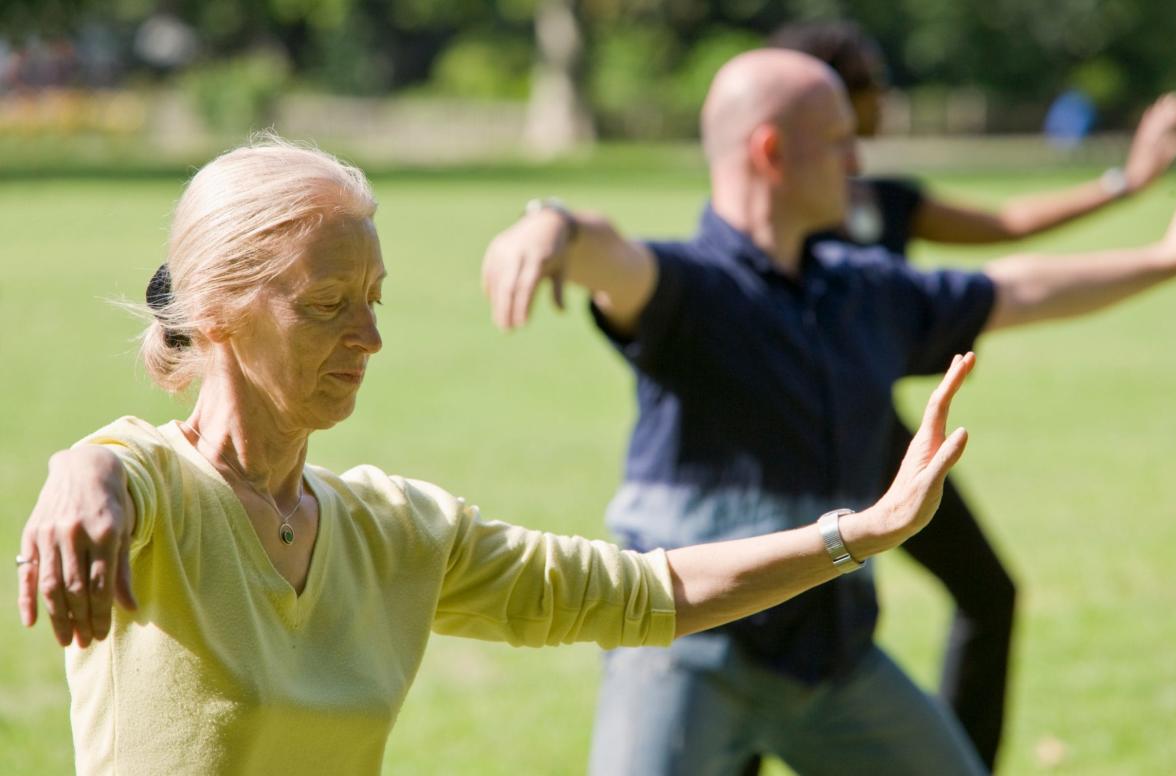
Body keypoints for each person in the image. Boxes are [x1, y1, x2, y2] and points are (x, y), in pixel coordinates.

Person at [15, 136, 977, 776]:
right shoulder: (148, 494)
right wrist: (80, 469)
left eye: (373, 301)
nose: (368, 340)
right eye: (325, 306)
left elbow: (645, 593)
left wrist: (859, 532)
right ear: (215, 312)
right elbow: (120, 469)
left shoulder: (394, 532)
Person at [480, 49, 1176, 775]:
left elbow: (1017, 286)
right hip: (684, 660)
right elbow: (610, 257)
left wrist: (1170, 260)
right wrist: (553, 225)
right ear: (771, 151)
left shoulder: (865, 291)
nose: (856, 161)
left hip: (833, 663)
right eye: (839, 142)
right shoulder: (692, 289)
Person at [766, 21, 1176, 768]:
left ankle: (959, 762)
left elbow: (1006, 228)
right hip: (787, 437)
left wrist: (1127, 182)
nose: (884, 98)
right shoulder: (776, 211)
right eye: (869, 82)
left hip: (878, 434)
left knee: (986, 594)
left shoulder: (889, 202)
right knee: (771, 627)